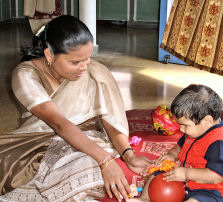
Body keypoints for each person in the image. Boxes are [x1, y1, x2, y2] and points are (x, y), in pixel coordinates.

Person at [0, 15, 152, 202]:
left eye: (87, 59)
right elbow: (58, 123)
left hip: (86, 140)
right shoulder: (25, 74)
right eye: (75, 62)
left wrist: (128, 155)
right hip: (37, 143)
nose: (84, 67)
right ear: (49, 55)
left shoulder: (95, 72)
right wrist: (105, 160)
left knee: (89, 167)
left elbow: (110, 118)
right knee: (91, 168)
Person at [128, 84, 223, 202]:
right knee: (157, 173)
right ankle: (145, 199)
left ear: (207, 121)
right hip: (185, 182)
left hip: (208, 191)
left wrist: (187, 174)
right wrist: (171, 155)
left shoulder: (219, 143)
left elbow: (217, 175)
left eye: (185, 125)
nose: (181, 129)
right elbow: (179, 147)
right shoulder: (195, 131)